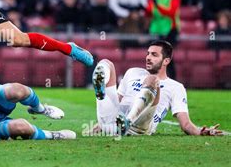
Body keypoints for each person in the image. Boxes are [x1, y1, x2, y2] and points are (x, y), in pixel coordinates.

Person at [90, 40, 222, 136]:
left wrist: (200, 131)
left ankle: (128, 121)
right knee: (106, 63)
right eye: (148, 53)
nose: (148, 57)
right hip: (115, 122)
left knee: (153, 80)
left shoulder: (176, 87)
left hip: (140, 126)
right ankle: (102, 99)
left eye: (154, 55)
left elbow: (185, 124)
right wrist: (102, 122)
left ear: (166, 61)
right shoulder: (132, 72)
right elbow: (116, 101)